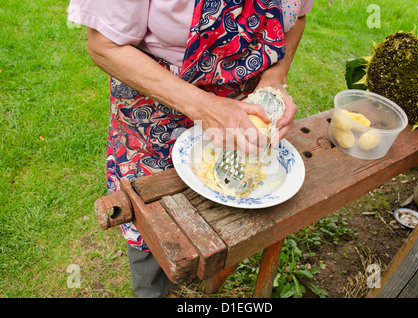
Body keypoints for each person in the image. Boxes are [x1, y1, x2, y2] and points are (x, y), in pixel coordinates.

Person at [68, 0, 314, 298]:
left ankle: (209, 275)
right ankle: (153, 289)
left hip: (242, 110)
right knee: (157, 223)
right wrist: (204, 106)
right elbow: (104, 46)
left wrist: (275, 77)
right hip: (156, 110)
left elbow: (297, 18)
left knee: (225, 213)